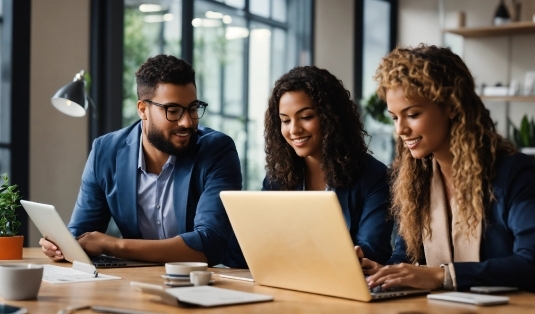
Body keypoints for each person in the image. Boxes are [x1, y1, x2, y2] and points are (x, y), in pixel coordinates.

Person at [362, 44, 535, 295]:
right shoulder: (416, 177)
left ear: (451, 106)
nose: (401, 130)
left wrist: (445, 275)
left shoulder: (509, 172)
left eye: (413, 114)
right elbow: (407, 255)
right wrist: (384, 272)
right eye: (395, 117)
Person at [39, 55, 243, 267]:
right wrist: (62, 245)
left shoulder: (217, 150)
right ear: (143, 110)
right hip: (139, 279)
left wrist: (115, 245)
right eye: (173, 111)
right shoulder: (105, 151)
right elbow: (82, 233)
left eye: (193, 108)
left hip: (211, 280)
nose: (187, 122)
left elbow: (210, 244)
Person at [262, 66, 393, 264]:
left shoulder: (373, 176)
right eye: (285, 120)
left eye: (306, 117)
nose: (294, 130)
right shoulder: (278, 178)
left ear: (332, 117)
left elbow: (373, 248)